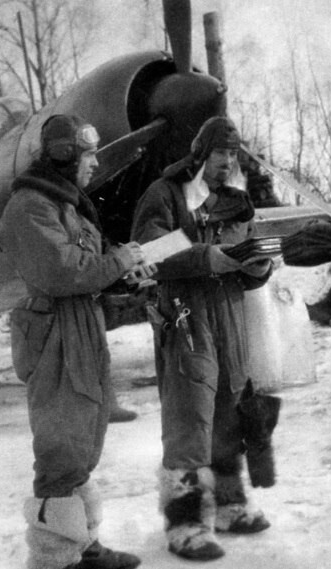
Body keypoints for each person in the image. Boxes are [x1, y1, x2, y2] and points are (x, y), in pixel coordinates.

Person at [0, 114, 150, 569]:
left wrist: (125, 273)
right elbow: (60, 272)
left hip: (80, 324)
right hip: (54, 333)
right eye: (87, 155)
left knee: (85, 434)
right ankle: (53, 559)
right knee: (61, 442)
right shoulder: (31, 207)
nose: (94, 163)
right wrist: (117, 261)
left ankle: (80, 546)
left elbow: (89, 267)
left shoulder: (67, 205)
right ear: (64, 156)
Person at [130, 116, 274, 561]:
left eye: (233, 154)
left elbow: (248, 250)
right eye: (219, 153)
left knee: (230, 407)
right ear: (199, 153)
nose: (227, 163)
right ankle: (185, 521)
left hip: (229, 314)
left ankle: (230, 503)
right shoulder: (164, 194)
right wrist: (211, 257)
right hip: (186, 315)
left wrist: (257, 266)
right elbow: (148, 254)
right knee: (190, 415)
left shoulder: (235, 201)